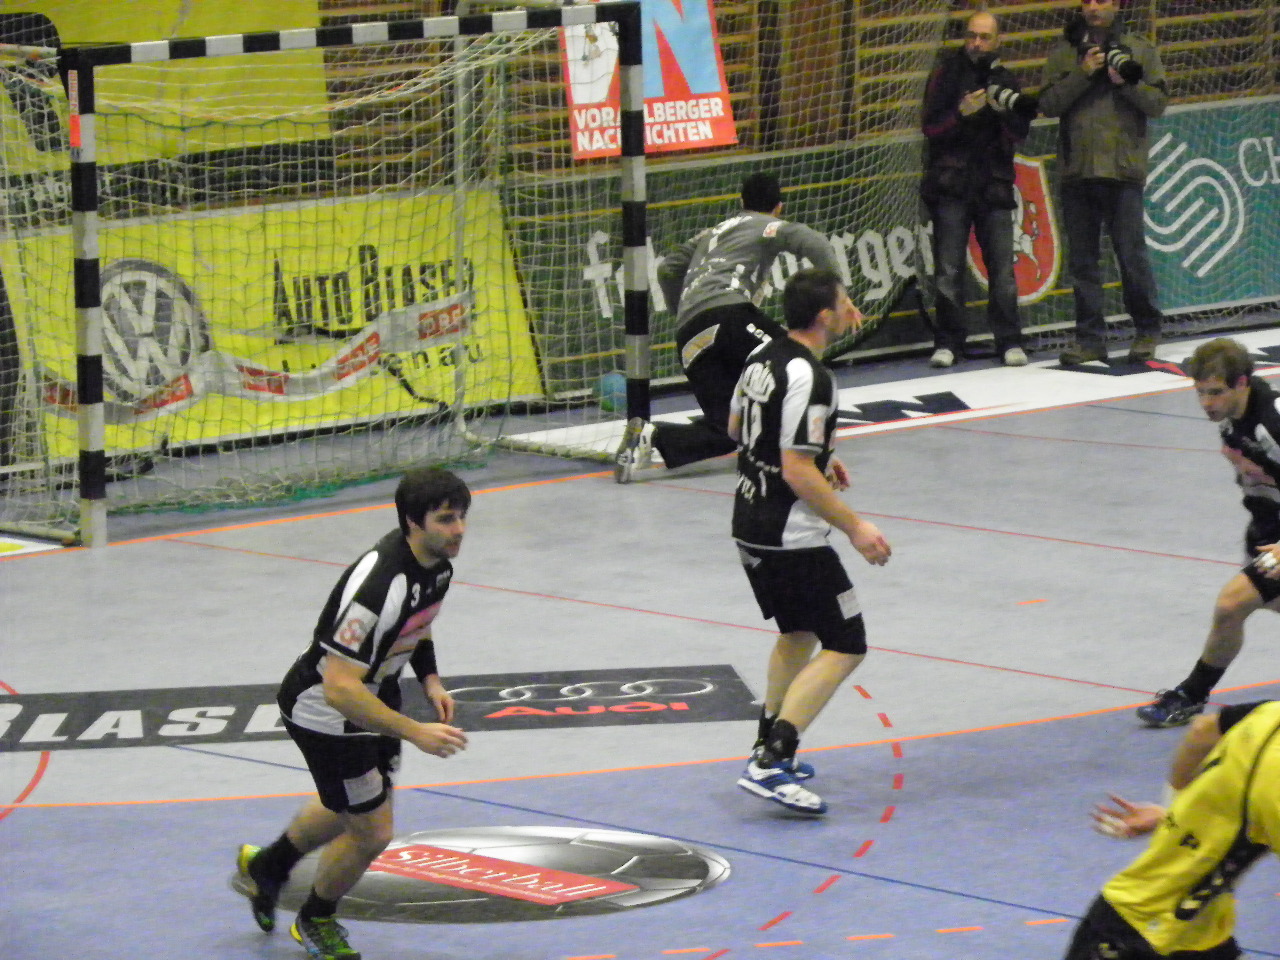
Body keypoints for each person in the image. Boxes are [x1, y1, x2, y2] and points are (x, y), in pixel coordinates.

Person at [235, 467, 471, 960]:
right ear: (413, 522)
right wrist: (415, 731)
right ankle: (316, 919)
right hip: (329, 715)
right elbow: (339, 688)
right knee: (372, 831)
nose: (459, 530)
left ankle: (270, 867)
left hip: (375, 699)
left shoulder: (436, 563)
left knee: (357, 802)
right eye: (446, 519)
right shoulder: (380, 587)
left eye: (462, 517)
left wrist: (430, 679)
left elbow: (419, 624)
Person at [727, 268, 892, 815]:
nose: (853, 310)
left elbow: (737, 428)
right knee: (847, 642)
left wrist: (822, 455)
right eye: (846, 302)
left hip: (750, 522)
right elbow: (797, 470)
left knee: (796, 633)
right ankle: (773, 762)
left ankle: (765, 744)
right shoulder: (813, 376)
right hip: (792, 536)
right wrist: (856, 527)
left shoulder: (762, 357)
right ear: (825, 316)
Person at [613, 171, 841, 483]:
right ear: (779, 207)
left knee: (728, 427)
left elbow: (667, 269)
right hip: (729, 316)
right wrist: (838, 296)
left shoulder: (712, 233)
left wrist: (686, 312)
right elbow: (814, 242)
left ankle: (650, 435)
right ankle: (812, 452)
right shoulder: (767, 224)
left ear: (741, 201)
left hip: (690, 335)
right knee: (798, 359)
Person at [1137, 339, 1280, 728]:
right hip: (1267, 530)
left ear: (1242, 383)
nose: (1206, 403)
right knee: (1243, 607)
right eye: (1200, 392)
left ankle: (1190, 695)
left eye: (1215, 392)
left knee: (1232, 605)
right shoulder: (1237, 417)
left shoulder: (1272, 422)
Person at [1066, 699, 1280, 958]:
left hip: (1184, 928)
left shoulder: (1270, 712)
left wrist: (1176, 811)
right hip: (1145, 932)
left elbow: (1202, 731)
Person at [1039, 0, 1167, 366]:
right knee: (1083, 263)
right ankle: (1090, 339)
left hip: (1122, 170)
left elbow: (1158, 103)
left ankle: (1146, 330)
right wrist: (1082, 74)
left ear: (1117, 4)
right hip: (1077, 171)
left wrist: (1125, 83)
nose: (1094, 7)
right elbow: (1048, 104)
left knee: (1131, 256)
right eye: (1088, 1)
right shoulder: (1065, 52)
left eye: (1102, 0)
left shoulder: (1140, 48)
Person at [920, 9, 1032, 370]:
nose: (977, 43)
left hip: (994, 186)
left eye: (984, 37)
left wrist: (1000, 110)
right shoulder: (945, 75)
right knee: (948, 269)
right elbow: (930, 128)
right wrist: (960, 114)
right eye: (971, 35)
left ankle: (1009, 340)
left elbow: (1020, 131)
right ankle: (948, 342)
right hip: (952, 186)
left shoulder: (1005, 79)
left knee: (1002, 269)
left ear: (997, 41)